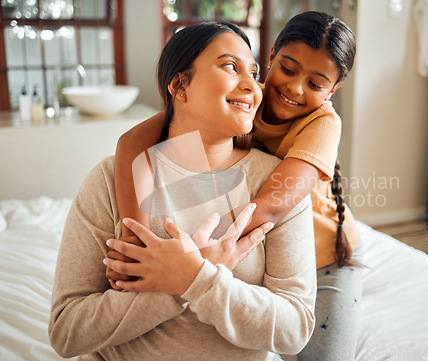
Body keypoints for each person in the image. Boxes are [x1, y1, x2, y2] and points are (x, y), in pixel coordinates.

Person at [49, 22, 316, 361]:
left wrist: (197, 278)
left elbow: (295, 331)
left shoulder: (278, 185)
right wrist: (181, 285)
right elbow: (66, 331)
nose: (253, 85)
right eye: (231, 67)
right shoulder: (109, 179)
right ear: (180, 85)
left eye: (254, 71)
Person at [109, 11, 362, 361]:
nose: (295, 88)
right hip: (262, 249)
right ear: (272, 55)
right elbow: (132, 141)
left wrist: (191, 264)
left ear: (333, 90)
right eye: (287, 69)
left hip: (324, 256)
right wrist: (132, 241)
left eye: (316, 84)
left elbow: (274, 202)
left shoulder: (324, 123)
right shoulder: (244, 96)